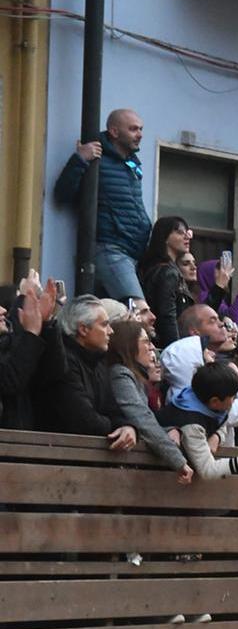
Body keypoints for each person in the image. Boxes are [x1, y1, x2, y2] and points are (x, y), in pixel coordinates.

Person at [53, 109, 152, 301]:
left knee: (114, 322)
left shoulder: (131, 163)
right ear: (114, 132)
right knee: (139, 310)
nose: (140, 134)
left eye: (140, 129)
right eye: (133, 129)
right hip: (111, 250)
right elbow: (62, 194)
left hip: (132, 253)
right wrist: (80, 159)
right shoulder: (98, 160)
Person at [32, 295, 136, 450]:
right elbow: (84, 420)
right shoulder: (62, 361)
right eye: (104, 325)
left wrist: (128, 427)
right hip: (57, 454)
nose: (111, 331)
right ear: (83, 329)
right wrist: (114, 427)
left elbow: (114, 409)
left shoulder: (99, 363)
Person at [106, 320, 191, 481]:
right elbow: (141, 417)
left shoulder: (136, 378)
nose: (152, 348)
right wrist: (178, 461)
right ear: (129, 346)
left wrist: (170, 430)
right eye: (146, 342)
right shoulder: (120, 374)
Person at [156, 361, 238, 478]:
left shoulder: (204, 399)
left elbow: (223, 421)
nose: (234, 400)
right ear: (215, 401)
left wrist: (217, 436)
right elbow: (207, 470)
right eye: (232, 397)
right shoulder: (192, 424)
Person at [0, 275, 62, 430]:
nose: (3, 310)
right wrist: (32, 333)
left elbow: (55, 373)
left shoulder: (8, 341)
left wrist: (46, 324)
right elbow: (10, 380)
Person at [138, 217, 195, 348]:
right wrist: (176, 349)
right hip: (167, 346)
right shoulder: (168, 273)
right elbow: (167, 316)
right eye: (180, 232)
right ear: (165, 237)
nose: (187, 237)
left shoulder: (162, 268)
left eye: (187, 233)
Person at [197, 259, 238, 327]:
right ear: (208, 274)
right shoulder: (203, 297)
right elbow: (234, 317)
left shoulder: (219, 298)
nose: (225, 273)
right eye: (219, 268)